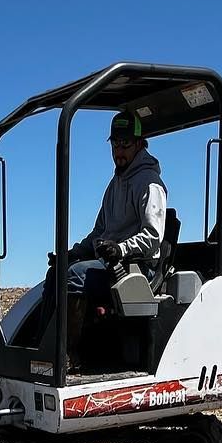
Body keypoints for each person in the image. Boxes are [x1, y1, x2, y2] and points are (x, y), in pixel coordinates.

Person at [45, 112, 168, 365]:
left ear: (139, 143)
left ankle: (69, 357)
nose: (119, 151)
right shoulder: (115, 184)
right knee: (59, 271)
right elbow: (99, 233)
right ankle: (44, 349)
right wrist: (72, 253)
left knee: (75, 276)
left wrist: (120, 249)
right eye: (115, 145)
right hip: (112, 262)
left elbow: (153, 236)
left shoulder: (149, 183)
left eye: (125, 145)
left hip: (137, 267)